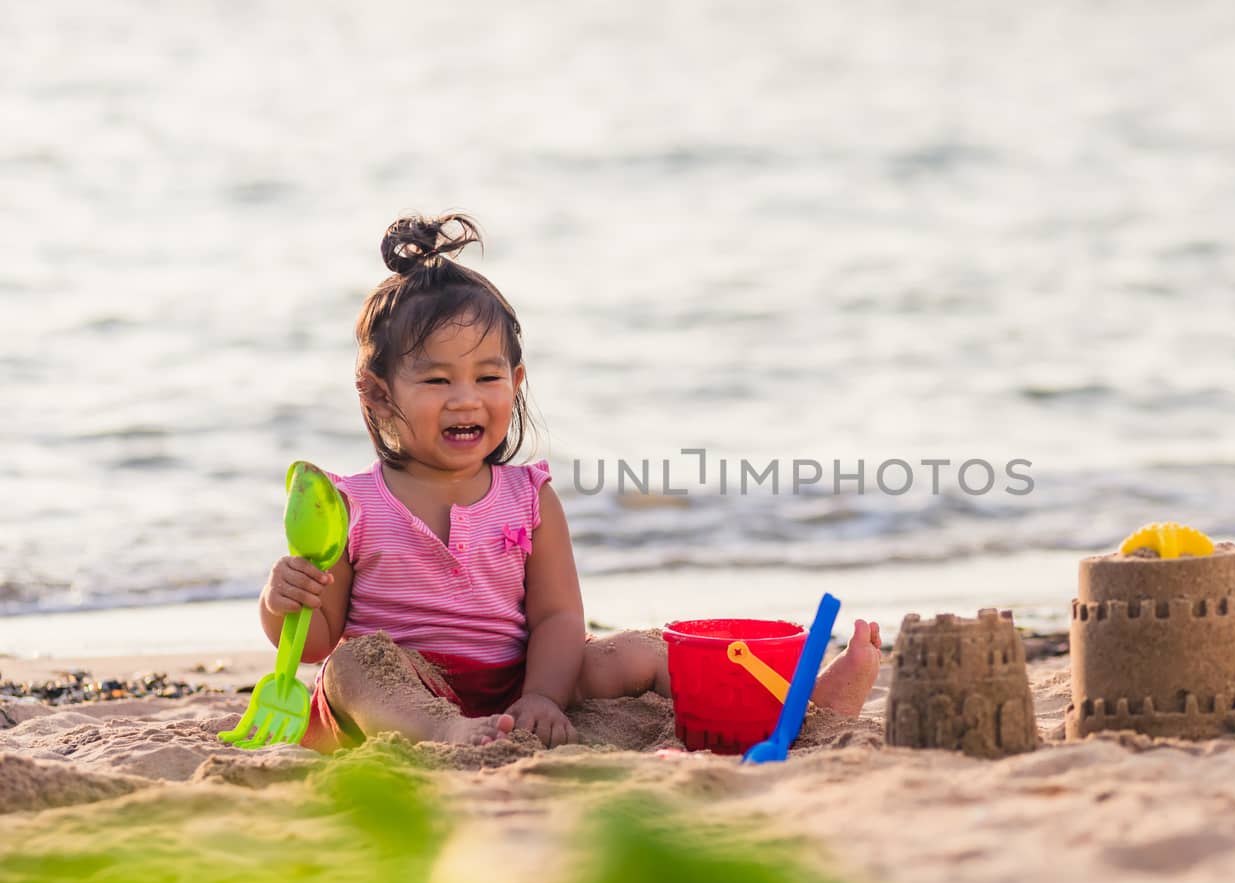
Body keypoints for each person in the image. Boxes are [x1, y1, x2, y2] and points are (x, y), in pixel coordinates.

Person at [257, 213, 882, 752]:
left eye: (487, 377)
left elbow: (556, 617)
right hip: (404, 696)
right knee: (353, 664)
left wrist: (543, 697)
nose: (465, 399)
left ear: (517, 381)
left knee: (641, 651)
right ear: (379, 393)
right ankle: (445, 734)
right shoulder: (352, 504)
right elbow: (313, 643)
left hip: (515, 682)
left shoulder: (528, 498)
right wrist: (282, 599)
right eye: (438, 380)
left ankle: (800, 711)